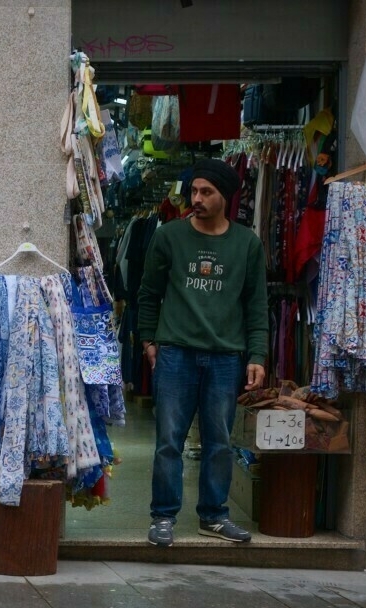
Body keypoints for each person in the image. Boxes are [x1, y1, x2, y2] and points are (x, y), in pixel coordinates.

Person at [137, 158, 268, 549]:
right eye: (193, 191)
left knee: (219, 441)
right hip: (176, 352)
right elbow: (149, 293)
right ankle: (163, 516)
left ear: (225, 196)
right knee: (169, 440)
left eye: (206, 192)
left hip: (226, 356)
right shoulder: (169, 237)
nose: (196, 199)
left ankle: (214, 516)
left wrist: (257, 354)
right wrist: (148, 341)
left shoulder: (247, 244)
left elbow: (256, 305)